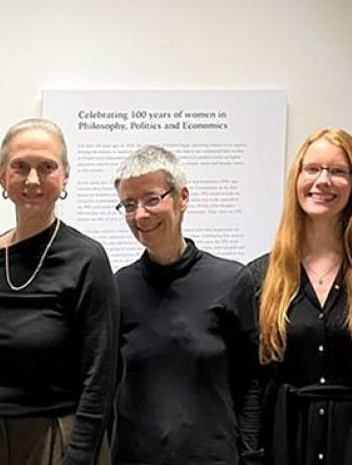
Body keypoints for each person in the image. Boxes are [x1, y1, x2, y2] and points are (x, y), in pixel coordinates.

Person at [0, 118, 117, 465]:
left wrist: (80, 457)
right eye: (20, 167)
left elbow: (99, 376)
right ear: (2, 176)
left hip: (53, 438)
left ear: (65, 176)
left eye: (46, 167)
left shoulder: (87, 259)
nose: (32, 179)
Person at [245, 127, 352, 464]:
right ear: (297, 179)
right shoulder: (262, 274)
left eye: (338, 171)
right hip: (287, 442)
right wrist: (250, 455)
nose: (323, 181)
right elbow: (255, 381)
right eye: (313, 169)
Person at [109, 145, 261, 464]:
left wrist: (250, 455)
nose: (140, 215)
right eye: (129, 204)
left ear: (183, 198)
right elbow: (107, 384)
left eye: (152, 199)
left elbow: (252, 384)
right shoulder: (118, 288)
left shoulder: (232, 281)